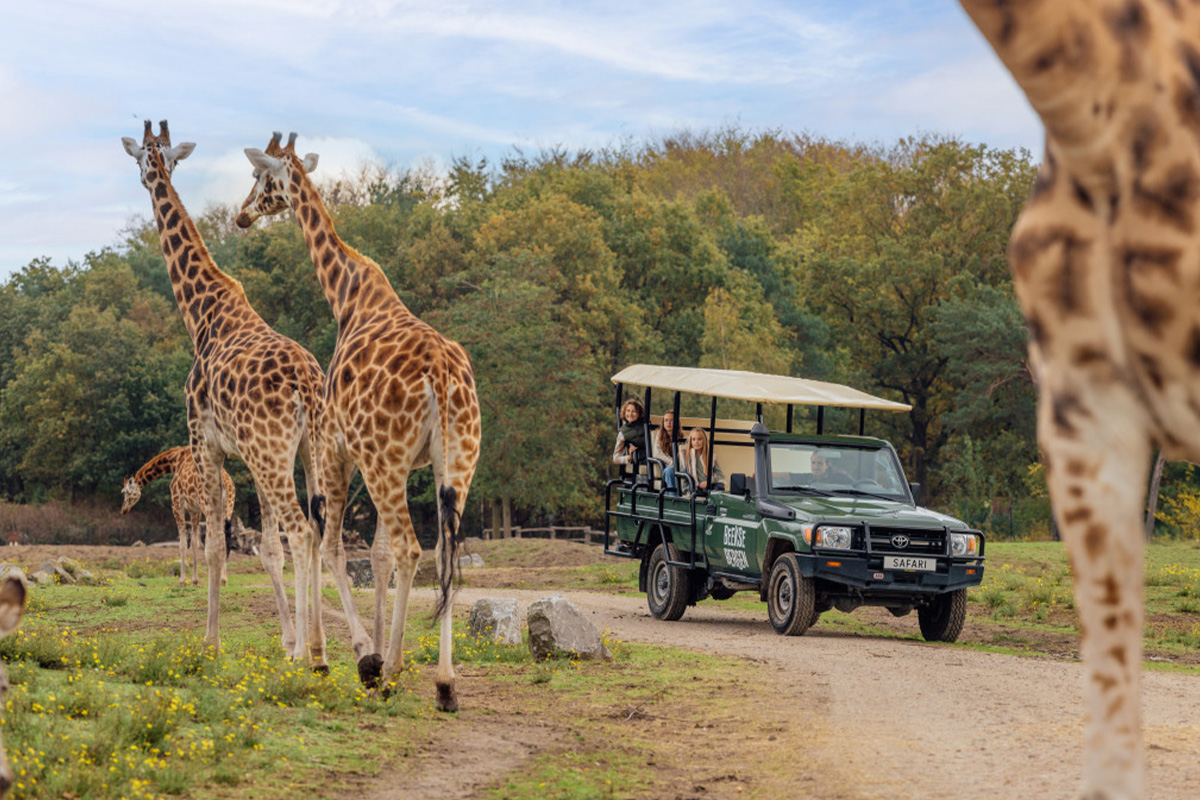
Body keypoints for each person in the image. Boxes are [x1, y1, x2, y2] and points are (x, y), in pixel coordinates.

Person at [682, 427, 723, 496]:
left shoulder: (710, 457)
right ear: (690, 442)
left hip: (709, 487)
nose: (696, 442)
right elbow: (683, 479)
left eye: (699, 439)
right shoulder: (686, 458)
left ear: (704, 441)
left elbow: (720, 476)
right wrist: (687, 492)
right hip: (695, 489)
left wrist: (708, 482)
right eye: (693, 439)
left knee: (719, 487)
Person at [612, 399, 647, 477]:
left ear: (639, 413)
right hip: (641, 459)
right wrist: (629, 457)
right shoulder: (623, 432)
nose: (630, 414)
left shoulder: (646, 424)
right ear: (624, 413)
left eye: (634, 411)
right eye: (628, 411)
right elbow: (615, 458)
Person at [652, 411, 682, 494]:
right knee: (670, 471)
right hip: (668, 466)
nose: (668, 423)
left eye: (671, 420)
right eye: (666, 420)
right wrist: (672, 462)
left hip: (680, 466)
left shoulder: (682, 436)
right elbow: (657, 453)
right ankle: (673, 498)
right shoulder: (659, 436)